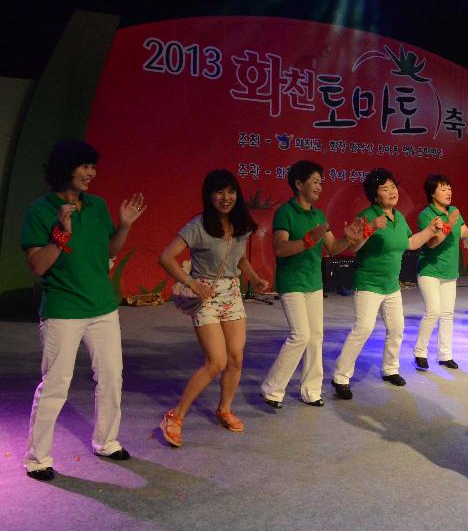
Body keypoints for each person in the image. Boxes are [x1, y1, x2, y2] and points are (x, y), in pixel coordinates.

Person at [21, 140, 145, 480]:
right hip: (64, 309)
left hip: (102, 307)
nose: (91, 173)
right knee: (56, 383)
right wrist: (61, 234)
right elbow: (38, 265)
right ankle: (37, 458)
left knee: (110, 377)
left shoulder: (98, 205)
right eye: (84, 166)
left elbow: (108, 251)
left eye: (93, 166)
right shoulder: (40, 210)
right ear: (65, 168)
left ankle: (106, 441)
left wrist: (124, 226)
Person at [159, 169, 270, 446]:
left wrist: (255, 279)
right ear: (209, 196)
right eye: (219, 192)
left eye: (231, 191)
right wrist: (192, 284)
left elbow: (239, 259)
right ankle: (175, 416)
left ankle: (224, 409)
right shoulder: (197, 226)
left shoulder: (241, 224)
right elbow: (166, 257)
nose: (226, 197)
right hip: (205, 295)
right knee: (216, 361)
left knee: (235, 358)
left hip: (232, 293)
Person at [260, 160, 363, 410]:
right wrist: (308, 239)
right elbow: (280, 248)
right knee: (301, 335)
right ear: (298, 184)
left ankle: (311, 390)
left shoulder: (319, 215)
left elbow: (332, 247)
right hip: (292, 283)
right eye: (315, 181)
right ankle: (272, 389)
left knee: (315, 337)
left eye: (321, 182)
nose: (320, 186)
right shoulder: (286, 212)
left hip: (314, 283)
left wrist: (348, 240)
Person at [331, 168, 442, 400]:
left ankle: (390, 369)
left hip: (391, 285)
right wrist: (370, 229)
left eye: (393, 187)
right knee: (363, 329)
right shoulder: (366, 215)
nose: (392, 192)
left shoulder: (399, 217)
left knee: (397, 328)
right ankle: (341, 377)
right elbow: (354, 247)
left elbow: (410, 243)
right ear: (375, 195)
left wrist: (430, 231)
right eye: (385, 188)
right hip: (369, 283)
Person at [412, 175, 468, 370]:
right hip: (430, 270)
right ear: (432, 193)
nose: (448, 192)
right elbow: (432, 243)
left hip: (449, 271)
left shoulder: (453, 211)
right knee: (433, 311)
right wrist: (449, 223)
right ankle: (420, 352)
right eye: (443, 189)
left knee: (447, 314)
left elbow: (463, 234)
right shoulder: (426, 215)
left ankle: (445, 355)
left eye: (449, 188)